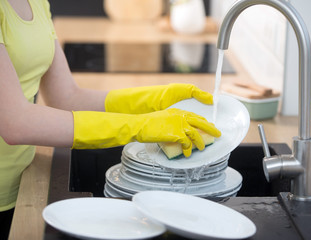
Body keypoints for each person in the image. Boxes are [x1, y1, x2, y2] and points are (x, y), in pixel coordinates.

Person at [0, 0, 221, 238]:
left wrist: (153, 100)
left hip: (22, 179)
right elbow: (16, 123)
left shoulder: (36, 2)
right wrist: (140, 125)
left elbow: (66, 97)